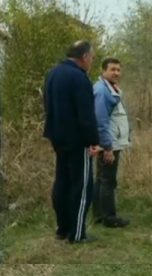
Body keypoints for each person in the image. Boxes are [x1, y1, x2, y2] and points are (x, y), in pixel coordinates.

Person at [43, 40, 101, 244]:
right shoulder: (79, 78)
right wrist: (93, 141)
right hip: (78, 141)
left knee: (63, 182)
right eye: (92, 58)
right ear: (84, 57)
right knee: (82, 185)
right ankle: (77, 234)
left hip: (57, 138)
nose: (92, 62)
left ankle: (62, 229)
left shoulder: (53, 74)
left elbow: (47, 107)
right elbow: (86, 116)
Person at [92, 57, 131, 228]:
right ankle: (109, 218)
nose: (116, 73)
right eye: (112, 69)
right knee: (108, 180)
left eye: (118, 70)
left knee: (101, 179)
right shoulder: (102, 91)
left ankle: (99, 215)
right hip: (109, 143)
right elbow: (101, 121)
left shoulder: (110, 89)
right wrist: (107, 147)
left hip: (109, 142)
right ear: (103, 71)